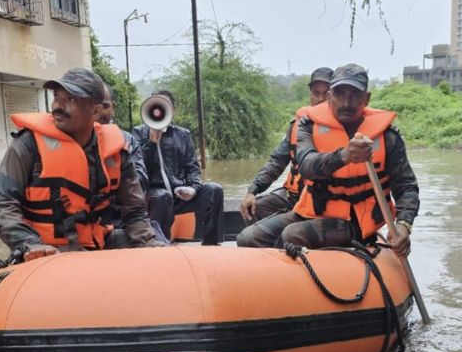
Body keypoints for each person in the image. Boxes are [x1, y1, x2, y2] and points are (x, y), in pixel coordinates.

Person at [234, 63, 418, 255]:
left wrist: (404, 225)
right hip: (312, 211)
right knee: (248, 238)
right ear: (330, 97)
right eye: (340, 94)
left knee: (292, 235)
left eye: (354, 95)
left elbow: (406, 185)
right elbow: (306, 165)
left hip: (356, 221)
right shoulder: (307, 126)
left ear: (366, 98)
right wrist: (345, 156)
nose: (346, 102)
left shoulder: (388, 136)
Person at [0, 68, 162, 259]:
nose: (58, 106)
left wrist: (148, 243)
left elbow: (135, 210)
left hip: (98, 244)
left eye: (71, 99)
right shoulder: (27, 144)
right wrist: (29, 244)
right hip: (45, 250)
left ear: (95, 110)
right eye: (57, 97)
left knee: (155, 240)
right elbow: (3, 206)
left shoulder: (117, 150)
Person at [241, 67, 334, 223]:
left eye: (326, 94)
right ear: (310, 94)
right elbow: (277, 162)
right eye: (316, 93)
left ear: (333, 96)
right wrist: (252, 191)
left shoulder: (342, 129)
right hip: (294, 195)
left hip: (324, 200)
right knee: (254, 208)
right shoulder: (297, 126)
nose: (320, 99)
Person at [131, 90, 225, 244]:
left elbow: (193, 167)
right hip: (154, 196)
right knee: (161, 196)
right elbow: (138, 170)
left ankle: (211, 243)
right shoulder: (138, 132)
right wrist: (151, 143)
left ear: (173, 111)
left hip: (179, 193)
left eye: (165, 106)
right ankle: (160, 245)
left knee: (214, 190)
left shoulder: (183, 134)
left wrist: (193, 188)